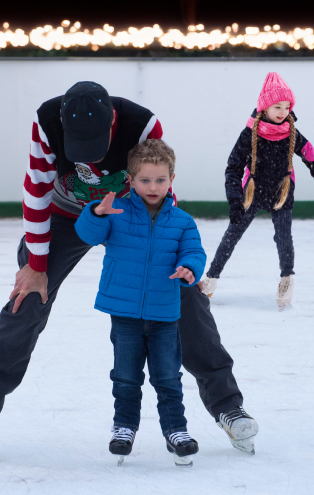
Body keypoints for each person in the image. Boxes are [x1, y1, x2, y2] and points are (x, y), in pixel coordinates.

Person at [0, 81, 258, 463]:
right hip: (64, 216)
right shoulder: (46, 121)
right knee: (27, 297)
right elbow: (37, 190)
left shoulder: (141, 125)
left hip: (130, 215)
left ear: (112, 122)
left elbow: (159, 184)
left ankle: (228, 405)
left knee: (184, 295)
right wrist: (37, 265)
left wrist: (169, 248)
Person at [75, 139, 206, 467]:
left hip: (164, 314)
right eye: (145, 180)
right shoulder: (115, 213)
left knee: (167, 377)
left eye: (160, 180)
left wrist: (190, 267)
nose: (153, 186)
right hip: (125, 313)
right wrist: (96, 212)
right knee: (125, 376)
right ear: (131, 180)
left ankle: (176, 430)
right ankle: (124, 428)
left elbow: (194, 252)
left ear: (171, 179)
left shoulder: (182, 222)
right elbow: (88, 234)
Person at [200, 72, 314, 310]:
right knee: (232, 235)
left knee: (284, 237)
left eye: (287, 106)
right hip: (252, 193)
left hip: (281, 193)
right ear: (264, 107)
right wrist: (235, 201)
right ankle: (211, 278)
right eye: (277, 106)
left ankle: (287, 279)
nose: (283, 111)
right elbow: (232, 167)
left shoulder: (292, 133)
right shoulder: (249, 133)